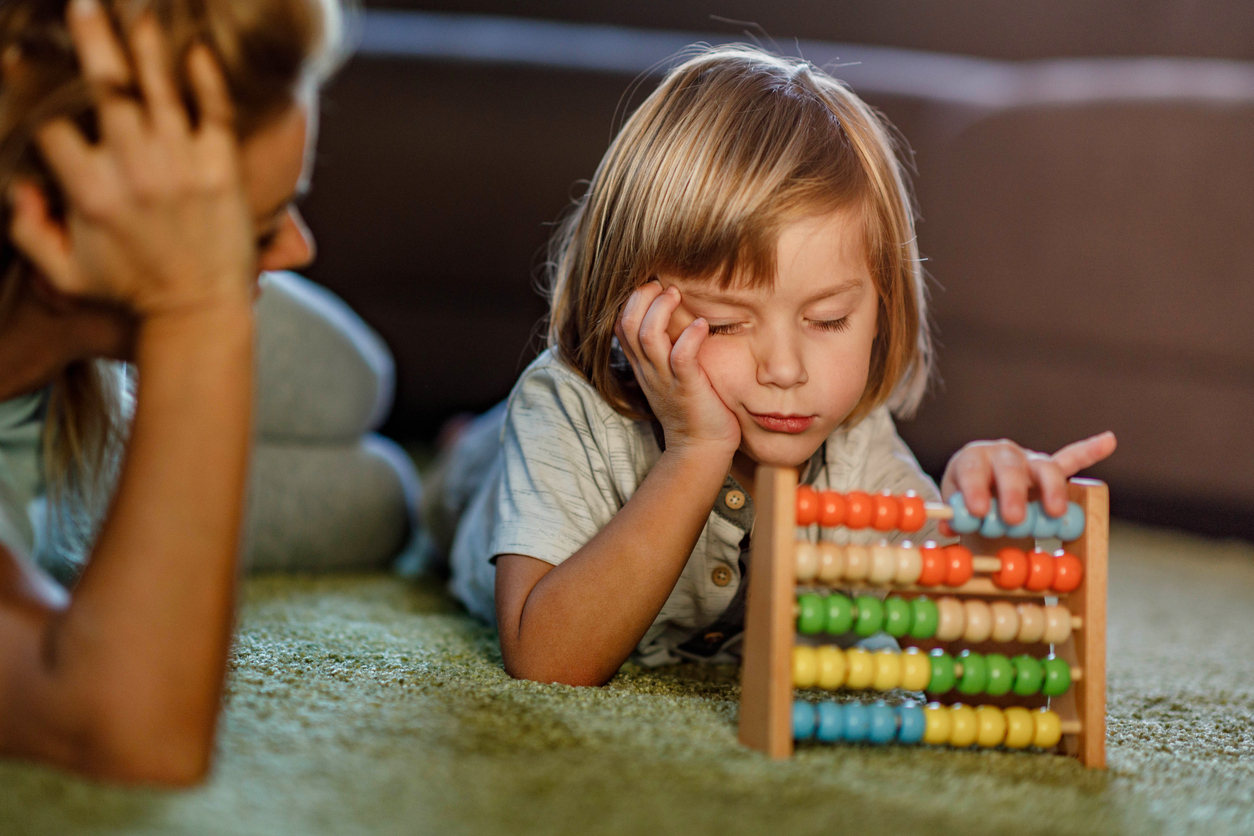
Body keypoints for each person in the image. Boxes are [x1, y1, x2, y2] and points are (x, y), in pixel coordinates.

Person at [426, 45, 1117, 687]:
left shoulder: (856, 452)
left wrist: (988, 535)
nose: (785, 370)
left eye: (828, 321)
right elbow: (547, 660)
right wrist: (697, 450)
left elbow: (979, 663)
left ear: (883, 306)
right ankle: (461, 450)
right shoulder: (568, 409)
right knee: (450, 487)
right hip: (478, 494)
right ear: (633, 304)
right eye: (725, 323)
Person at [0, 0, 356, 783]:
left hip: (83, 371)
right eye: (259, 230)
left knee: (358, 392)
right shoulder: (188, 301)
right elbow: (129, 729)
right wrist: (196, 309)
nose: (302, 247)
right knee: (374, 496)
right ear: (59, 216)